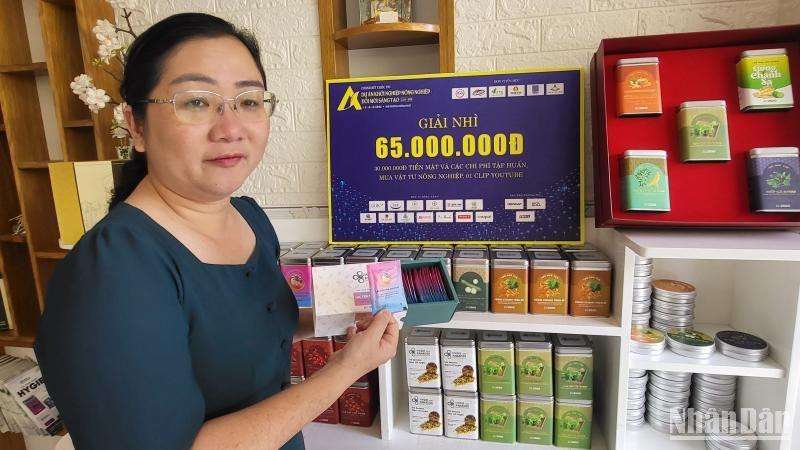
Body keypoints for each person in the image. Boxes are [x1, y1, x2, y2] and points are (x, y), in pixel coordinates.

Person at [34, 13, 398, 450]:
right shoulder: (112, 271)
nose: (230, 129)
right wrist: (345, 370)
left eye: (249, 101)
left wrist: (342, 316)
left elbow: (251, 324)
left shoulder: (249, 218)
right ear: (136, 125)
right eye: (195, 102)